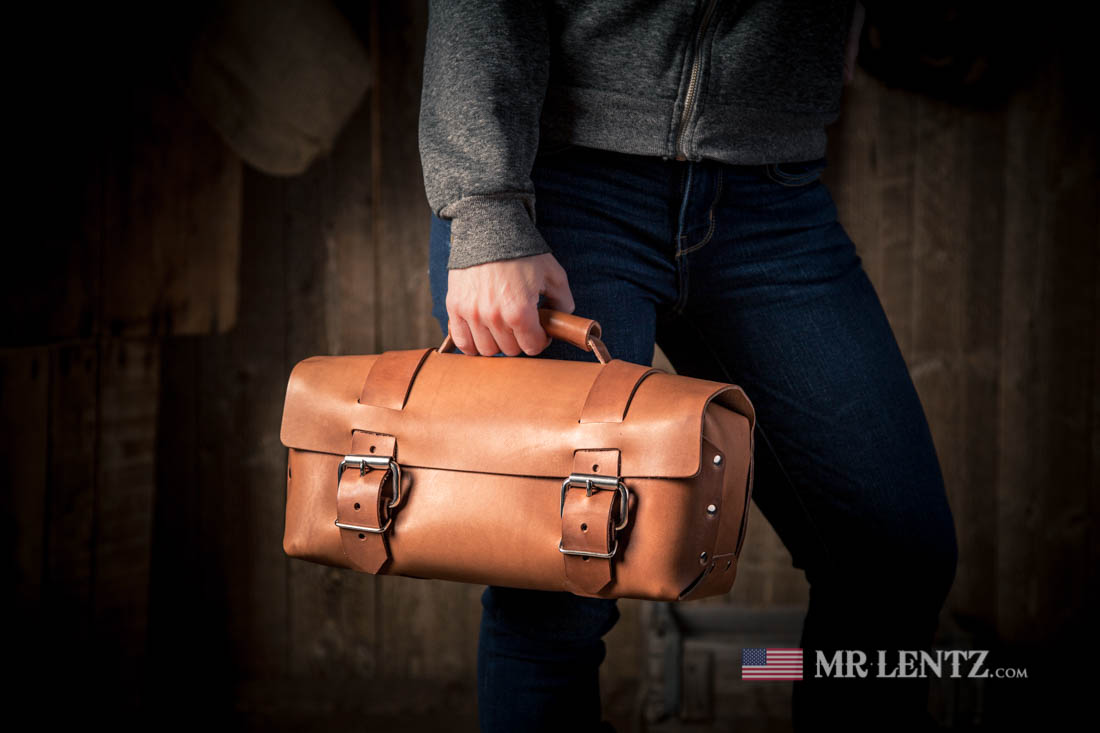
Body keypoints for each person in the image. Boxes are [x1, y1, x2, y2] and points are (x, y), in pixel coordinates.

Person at [418, 1, 958, 731]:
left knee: (896, 556)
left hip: (772, 195)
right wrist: (486, 206)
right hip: (564, 183)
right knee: (554, 599)